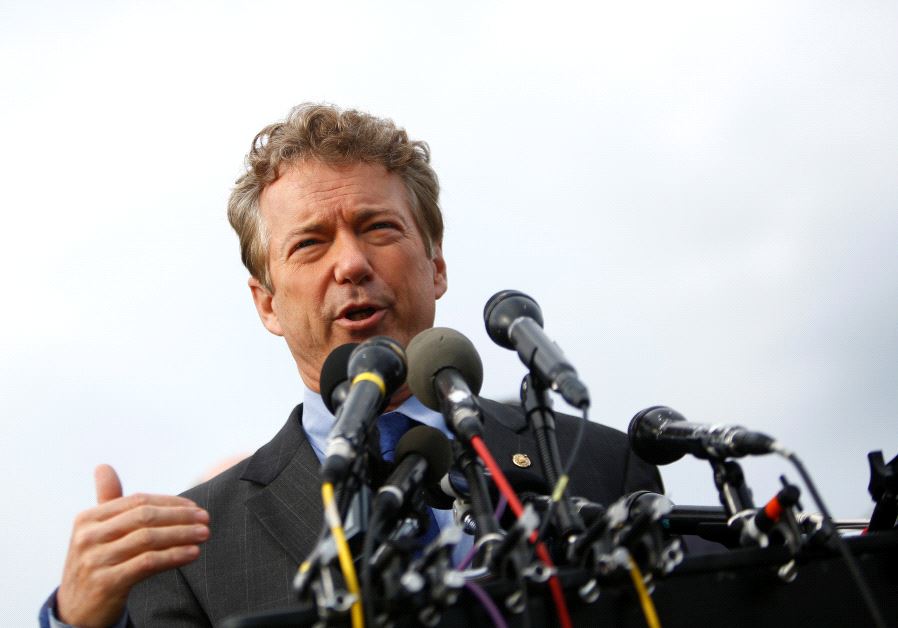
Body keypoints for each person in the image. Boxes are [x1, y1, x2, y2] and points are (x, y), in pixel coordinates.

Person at [41, 104, 662, 627]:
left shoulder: (602, 465)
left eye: (378, 228)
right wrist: (77, 619)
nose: (351, 264)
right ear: (267, 304)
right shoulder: (191, 554)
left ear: (437, 266)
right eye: (310, 243)